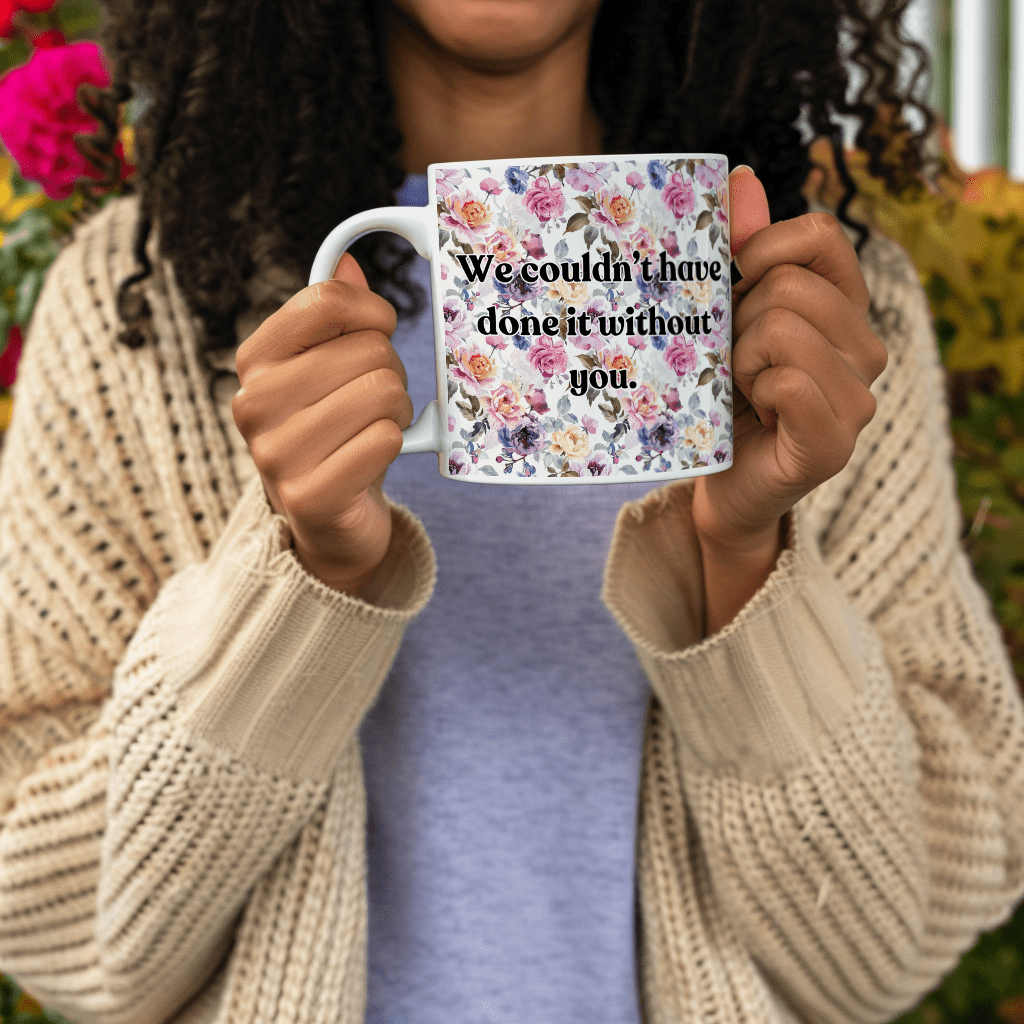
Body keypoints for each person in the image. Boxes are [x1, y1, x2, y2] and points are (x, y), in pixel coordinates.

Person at [1, 1, 1022, 1023]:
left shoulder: (815, 321)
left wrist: (742, 560)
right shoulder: (142, 305)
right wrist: (299, 583)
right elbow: (63, 929)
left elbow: (873, 962)